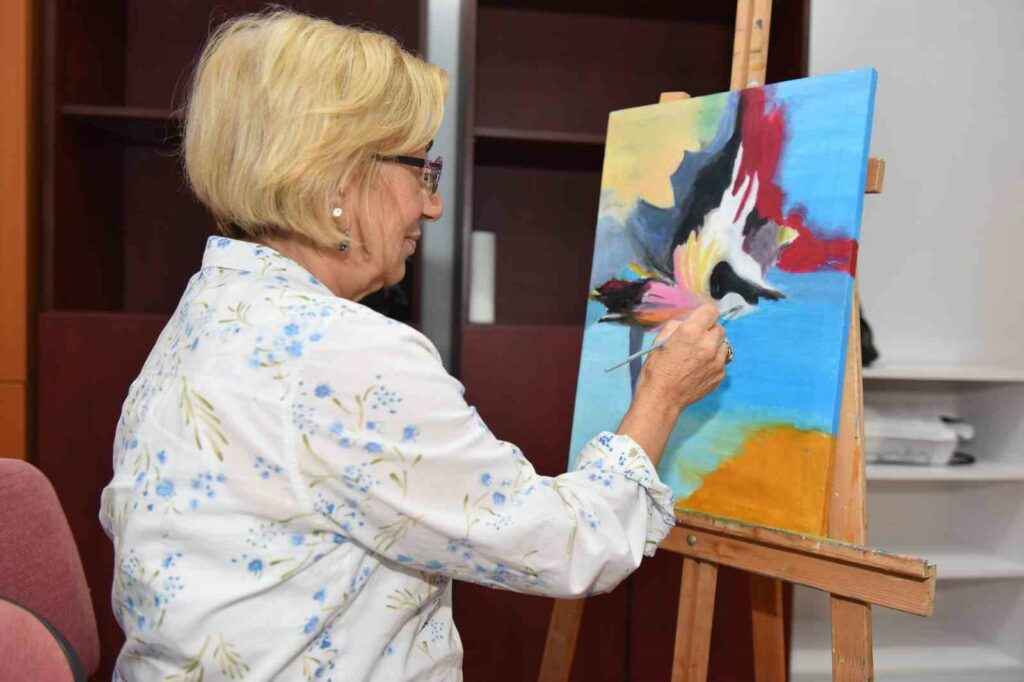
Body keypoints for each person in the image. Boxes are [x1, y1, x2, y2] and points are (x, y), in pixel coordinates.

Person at [99, 10, 729, 682]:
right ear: (339, 177)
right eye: (422, 169)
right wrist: (662, 394)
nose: (432, 205)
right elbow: (570, 544)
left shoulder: (208, 311)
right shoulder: (344, 355)